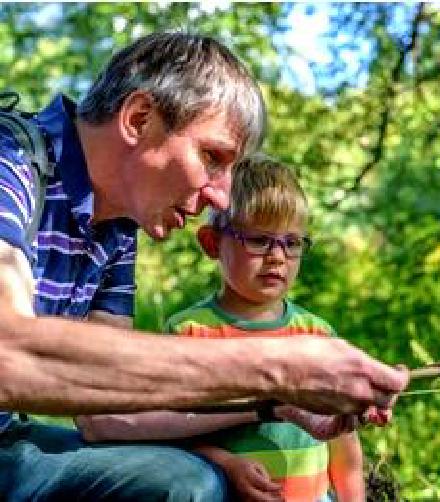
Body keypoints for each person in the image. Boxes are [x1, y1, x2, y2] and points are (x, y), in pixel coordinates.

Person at [0, 32, 408, 500]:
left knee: (186, 482)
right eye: (212, 157)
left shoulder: (115, 226)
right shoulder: (10, 164)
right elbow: (5, 354)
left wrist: (275, 402)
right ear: (139, 119)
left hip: (8, 446)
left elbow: (106, 416)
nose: (221, 194)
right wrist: (279, 366)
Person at [78, 154, 378, 502]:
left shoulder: (317, 338)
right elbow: (170, 433)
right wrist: (224, 463)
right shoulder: (191, 333)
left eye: (292, 242)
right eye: (258, 240)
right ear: (212, 243)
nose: (277, 256)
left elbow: (344, 450)